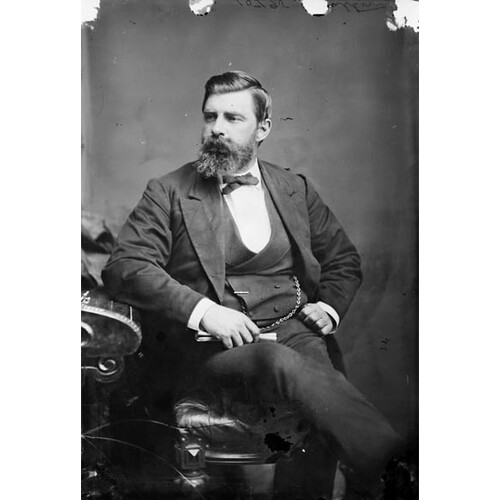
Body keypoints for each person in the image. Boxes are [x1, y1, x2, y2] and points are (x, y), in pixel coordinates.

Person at [102, 71, 403, 498]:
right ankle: (400, 470)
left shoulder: (295, 189)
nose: (217, 128)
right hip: (210, 348)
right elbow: (125, 266)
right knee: (277, 361)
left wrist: (329, 307)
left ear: (263, 128)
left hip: (295, 330)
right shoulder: (168, 191)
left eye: (233, 118)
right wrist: (206, 311)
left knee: (317, 375)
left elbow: (343, 259)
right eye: (210, 116)